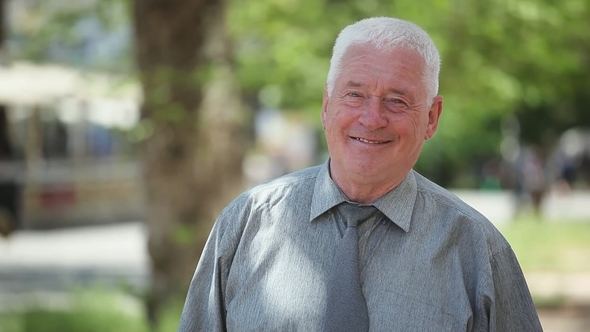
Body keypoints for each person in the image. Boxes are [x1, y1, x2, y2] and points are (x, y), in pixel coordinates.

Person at [178, 17, 542, 331]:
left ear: (431, 117)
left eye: (397, 100)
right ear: (326, 106)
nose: (372, 118)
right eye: (354, 95)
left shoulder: (477, 249)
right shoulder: (246, 225)